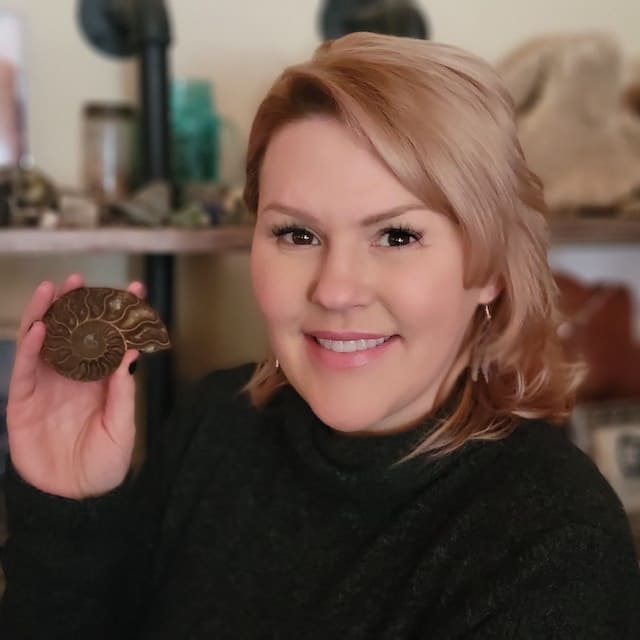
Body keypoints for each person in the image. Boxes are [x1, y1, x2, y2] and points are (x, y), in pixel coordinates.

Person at [1, 31, 639, 639]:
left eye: (397, 235)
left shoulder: (552, 543)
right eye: (296, 234)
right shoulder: (213, 424)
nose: (335, 290)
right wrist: (67, 513)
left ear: (492, 270)